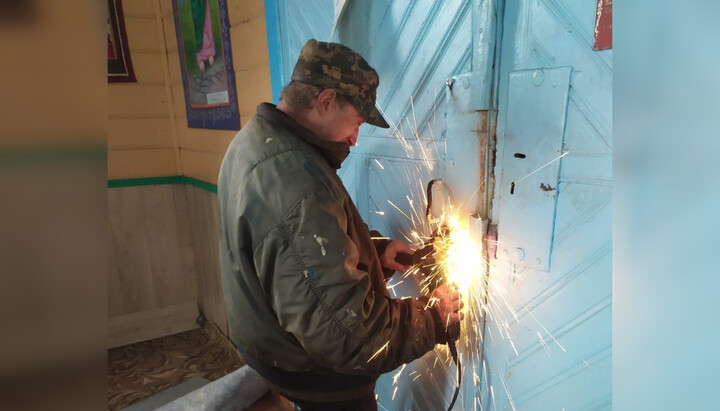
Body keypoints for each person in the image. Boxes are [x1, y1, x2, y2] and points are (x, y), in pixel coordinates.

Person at [218, 39, 462, 411]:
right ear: (326, 100)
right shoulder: (297, 182)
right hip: (318, 376)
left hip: (274, 348)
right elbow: (348, 337)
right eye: (358, 121)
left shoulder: (255, 141)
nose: (354, 137)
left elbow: (292, 254)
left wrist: (374, 252)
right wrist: (432, 318)